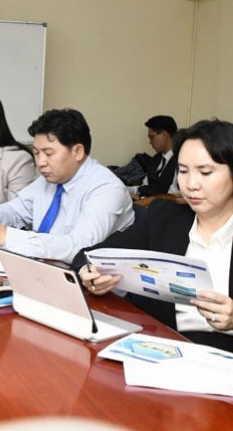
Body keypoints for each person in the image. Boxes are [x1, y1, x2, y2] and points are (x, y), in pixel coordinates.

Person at [75, 119, 233, 352]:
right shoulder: (165, 217)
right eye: (183, 171)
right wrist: (89, 274)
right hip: (157, 345)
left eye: (205, 172)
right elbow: (89, 256)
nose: (191, 184)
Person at [0, 109, 134, 263]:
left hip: (86, 280)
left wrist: (3, 235)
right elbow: (15, 211)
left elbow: (79, 247)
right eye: (37, 153)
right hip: (42, 268)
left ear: (78, 151)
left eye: (49, 153)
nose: (40, 162)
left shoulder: (107, 189)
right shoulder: (51, 179)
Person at [134, 115, 178, 199]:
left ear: (164, 135)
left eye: (152, 137)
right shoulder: (156, 159)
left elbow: (173, 196)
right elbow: (145, 186)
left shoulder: (181, 162)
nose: (150, 142)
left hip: (163, 205)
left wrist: (140, 199)